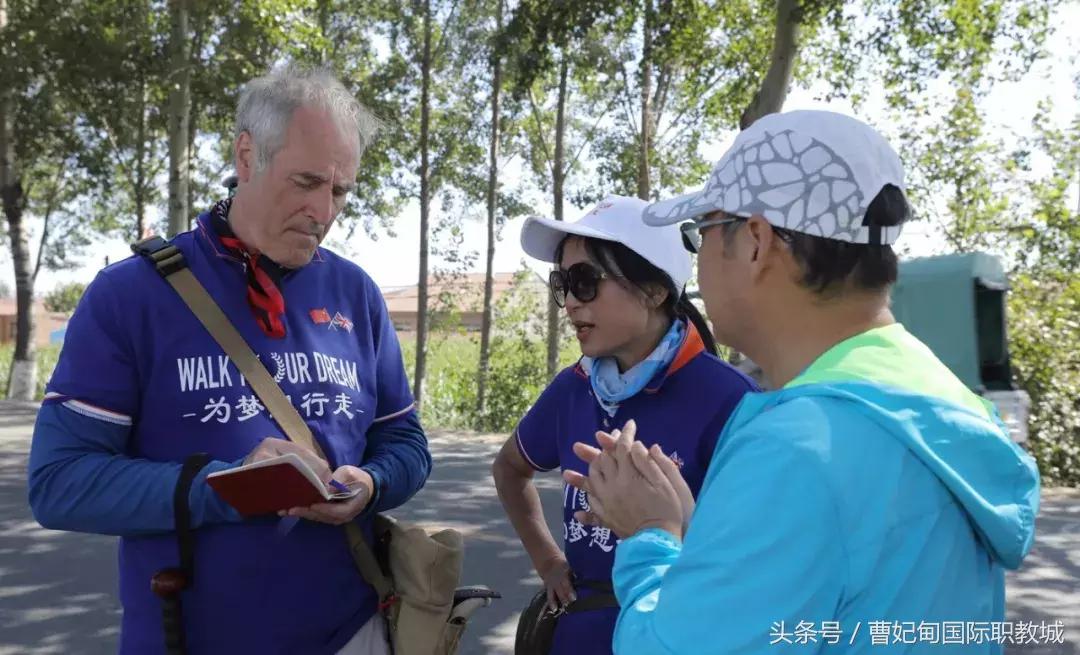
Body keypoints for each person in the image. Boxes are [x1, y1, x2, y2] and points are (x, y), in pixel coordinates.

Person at [564, 110, 1041, 654]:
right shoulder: (938, 399)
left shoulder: (799, 448)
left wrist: (649, 536)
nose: (697, 269)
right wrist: (704, 541)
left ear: (755, 241)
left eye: (703, 234)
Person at [27, 64, 431, 655]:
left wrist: (371, 482)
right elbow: (59, 484)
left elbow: (407, 446)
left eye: (340, 190)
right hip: (187, 638)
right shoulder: (131, 295)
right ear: (247, 156)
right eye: (306, 181)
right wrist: (227, 485)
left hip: (354, 632)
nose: (323, 211)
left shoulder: (356, 294)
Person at [492, 195, 758, 655]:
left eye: (585, 282)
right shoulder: (573, 388)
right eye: (563, 284)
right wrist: (549, 561)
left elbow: (755, 565)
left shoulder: (732, 402)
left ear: (655, 290)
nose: (570, 302)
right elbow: (509, 469)